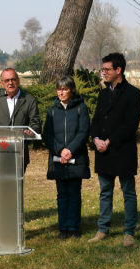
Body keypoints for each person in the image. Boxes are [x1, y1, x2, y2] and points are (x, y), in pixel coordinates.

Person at [87, 53, 140, 247]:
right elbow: (95, 121)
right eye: (103, 69)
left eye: (107, 69)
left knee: (128, 193)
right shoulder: (103, 94)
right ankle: (103, 229)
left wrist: (109, 140)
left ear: (118, 70)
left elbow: (130, 125)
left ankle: (129, 232)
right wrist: (96, 139)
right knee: (105, 192)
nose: (103, 73)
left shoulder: (133, 94)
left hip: (123, 151)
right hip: (103, 152)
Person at [43, 76, 90, 239]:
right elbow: (47, 134)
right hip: (58, 159)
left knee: (74, 194)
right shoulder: (52, 110)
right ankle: (63, 228)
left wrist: (69, 150)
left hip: (76, 157)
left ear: (72, 90)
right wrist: (60, 150)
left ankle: (74, 228)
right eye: (59, 89)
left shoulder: (81, 108)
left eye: (65, 89)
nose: (61, 92)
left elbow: (84, 132)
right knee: (62, 194)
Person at [0, 68, 41, 171]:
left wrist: (30, 132)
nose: (10, 83)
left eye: (13, 79)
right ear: (2, 83)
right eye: (7, 80)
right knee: (0, 185)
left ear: (18, 80)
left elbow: (36, 124)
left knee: (17, 185)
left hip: (20, 152)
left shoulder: (29, 100)